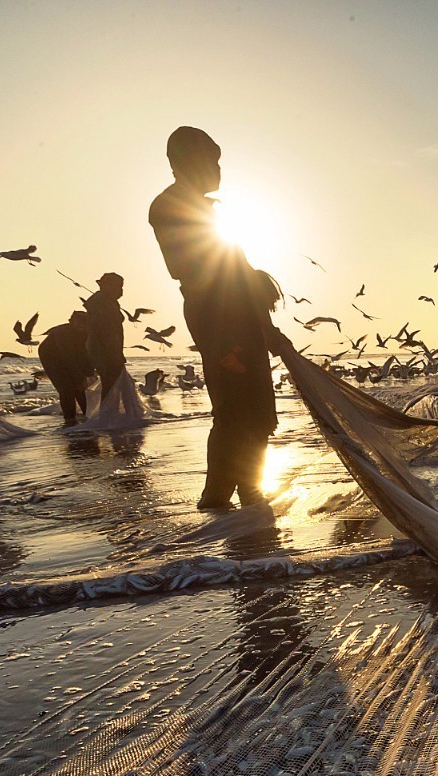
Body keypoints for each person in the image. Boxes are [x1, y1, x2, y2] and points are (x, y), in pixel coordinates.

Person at [148, 126, 292, 510]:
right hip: (220, 319)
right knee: (234, 414)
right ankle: (215, 499)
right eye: (211, 160)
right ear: (184, 162)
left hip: (241, 317)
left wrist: (269, 330)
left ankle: (248, 492)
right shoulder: (169, 206)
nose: (218, 169)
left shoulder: (206, 210)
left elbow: (236, 271)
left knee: (258, 414)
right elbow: (189, 270)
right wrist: (226, 341)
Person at [37, 312, 95, 425]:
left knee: (81, 389)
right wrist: (79, 374)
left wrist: (89, 371)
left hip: (71, 357)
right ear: (72, 322)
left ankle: (87, 416)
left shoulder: (87, 333)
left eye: (84, 323)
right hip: (51, 358)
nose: (81, 326)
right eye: (79, 322)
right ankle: (69, 419)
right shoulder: (63, 333)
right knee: (67, 390)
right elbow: (68, 356)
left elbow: (87, 353)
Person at [83, 272, 127, 397]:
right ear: (108, 286)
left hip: (106, 351)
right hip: (105, 351)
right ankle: (108, 414)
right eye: (118, 286)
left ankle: (111, 413)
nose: (121, 290)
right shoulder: (101, 303)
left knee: (112, 385)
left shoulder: (107, 302)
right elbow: (105, 331)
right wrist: (115, 354)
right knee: (111, 385)